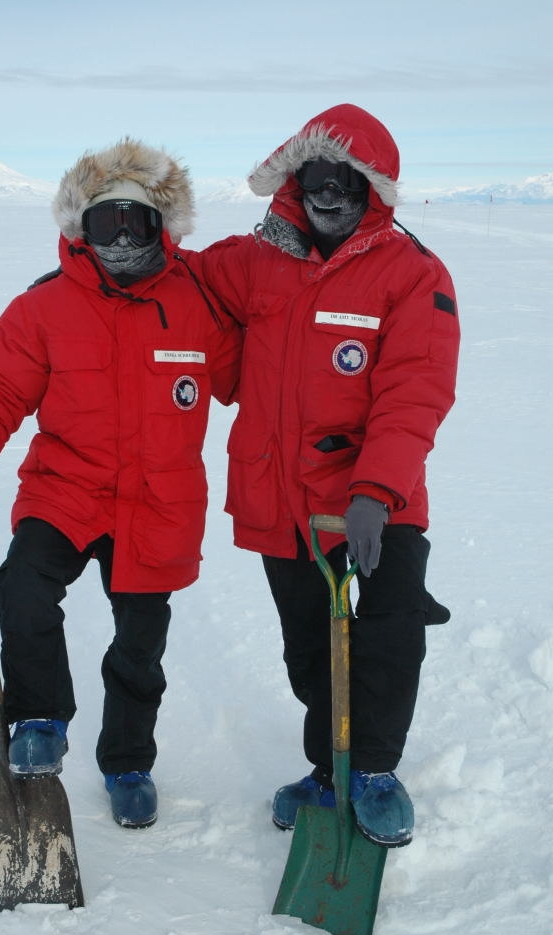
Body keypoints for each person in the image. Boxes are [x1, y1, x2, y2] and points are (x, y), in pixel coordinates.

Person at [0, 138, 241, 829]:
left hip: (160, 504)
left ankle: (128, 760)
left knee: (140, 646)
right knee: (27, 586)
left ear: (164, 226)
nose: (122, 237)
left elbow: (255, 377)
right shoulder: (44, 307)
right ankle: (39, 715)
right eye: (106, 222)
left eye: (137, 220)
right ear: (80, 229)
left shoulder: (199, 304)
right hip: (65, 488)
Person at [187, 104, 460, 847]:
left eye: (344, 179)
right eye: (314, 177)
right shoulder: (257, 260)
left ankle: (371, 769)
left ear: (371, 186)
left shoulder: (413, 275)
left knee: (390, 627)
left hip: (380, 498)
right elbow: (178, 279)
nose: (328, 193)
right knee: (310, 643)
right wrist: (99, 249)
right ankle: (326, 763)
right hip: (284, 496)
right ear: (294, 180)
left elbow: (416, 392)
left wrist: (376, 492)